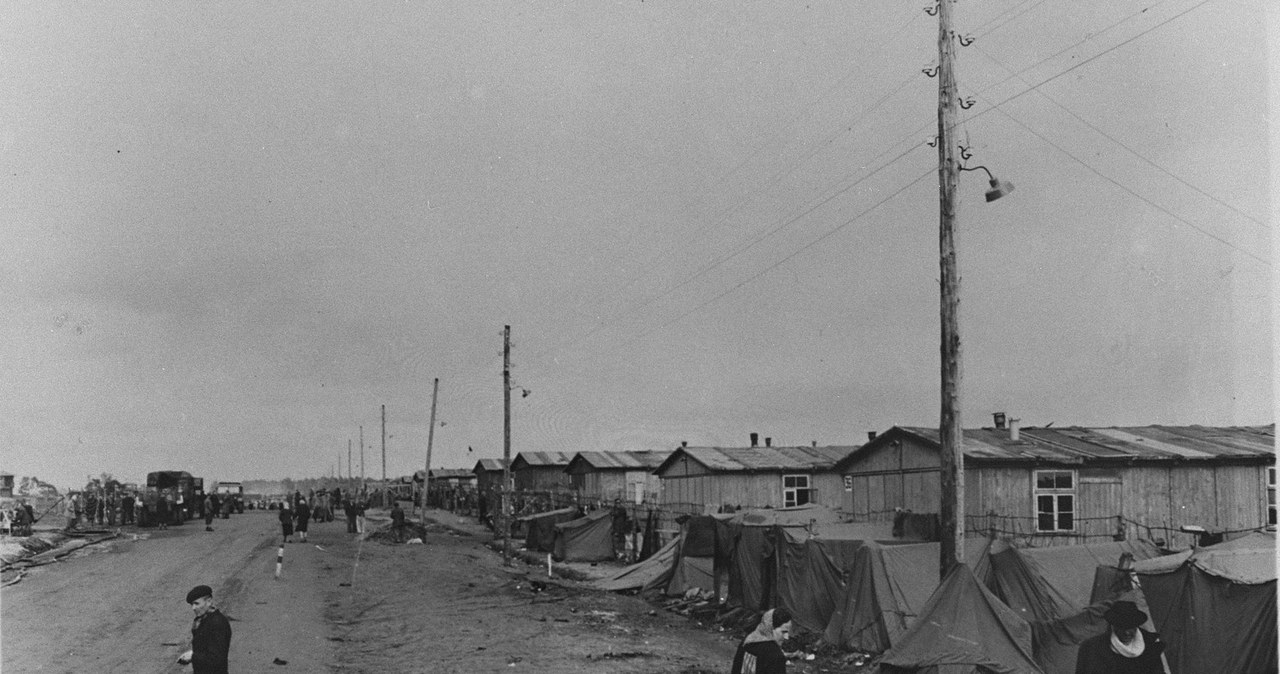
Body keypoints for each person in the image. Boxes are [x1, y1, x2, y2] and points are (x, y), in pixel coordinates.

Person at [1075, 600, 1165, 674]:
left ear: (1137, 626)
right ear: (1113, 626)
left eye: (1131, 627)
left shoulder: (1150, 647)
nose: (1127, 632)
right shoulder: (1091, 648)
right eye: (1122, 627)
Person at [178, 584, 232, 674]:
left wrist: (193, 657)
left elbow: (216, 658)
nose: (193, 608)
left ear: (209, 601)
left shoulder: (217, 623)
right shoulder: (205, 619)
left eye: (197, 603)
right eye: (192, 604)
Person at [731, 608, 792, 674]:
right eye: (783, 632)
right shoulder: (776, 656)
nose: (786, 637)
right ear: (770, 628)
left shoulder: (747, 641)